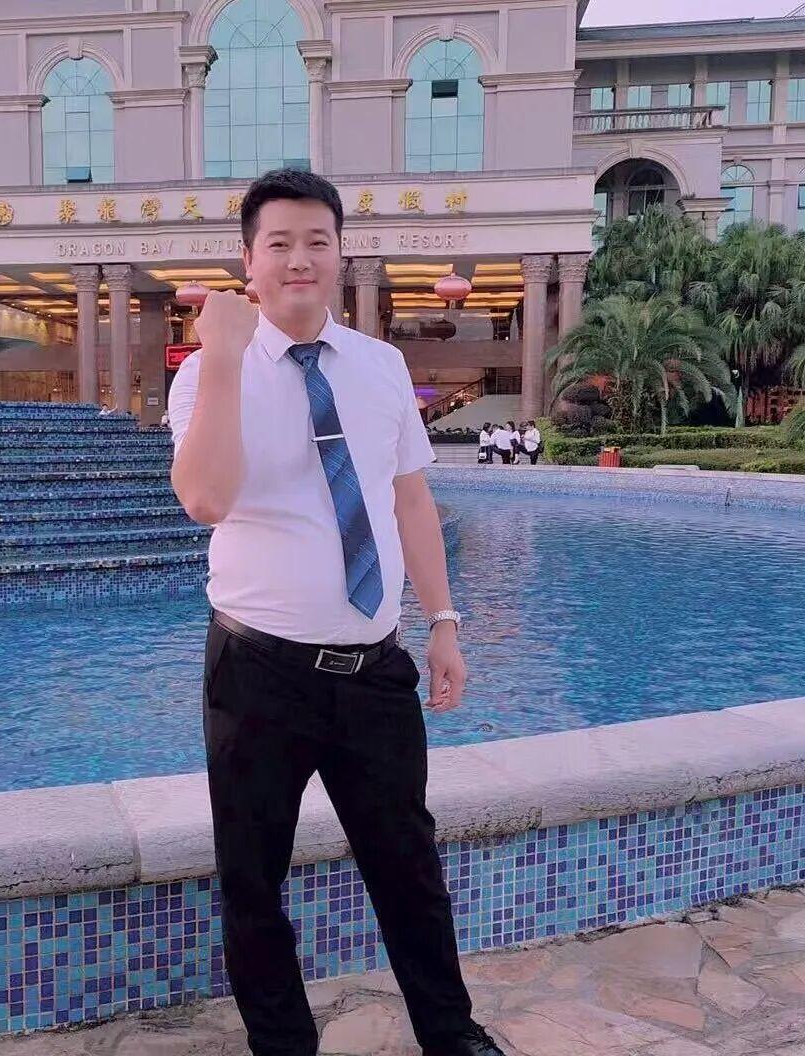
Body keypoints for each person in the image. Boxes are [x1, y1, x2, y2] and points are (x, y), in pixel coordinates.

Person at [167, 168, 503, 1056]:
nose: (299, 259)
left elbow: (410, 501)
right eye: (278, 243)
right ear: (248, 261)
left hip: (373, 668)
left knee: (410, 868)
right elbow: (204, 498)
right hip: (258, 671)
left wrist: (443, 621)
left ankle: (452, 1035)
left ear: (340, 254)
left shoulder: (380, 366)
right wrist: (226, 354)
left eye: (317, 241)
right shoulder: (206, 374)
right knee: (253, 883)